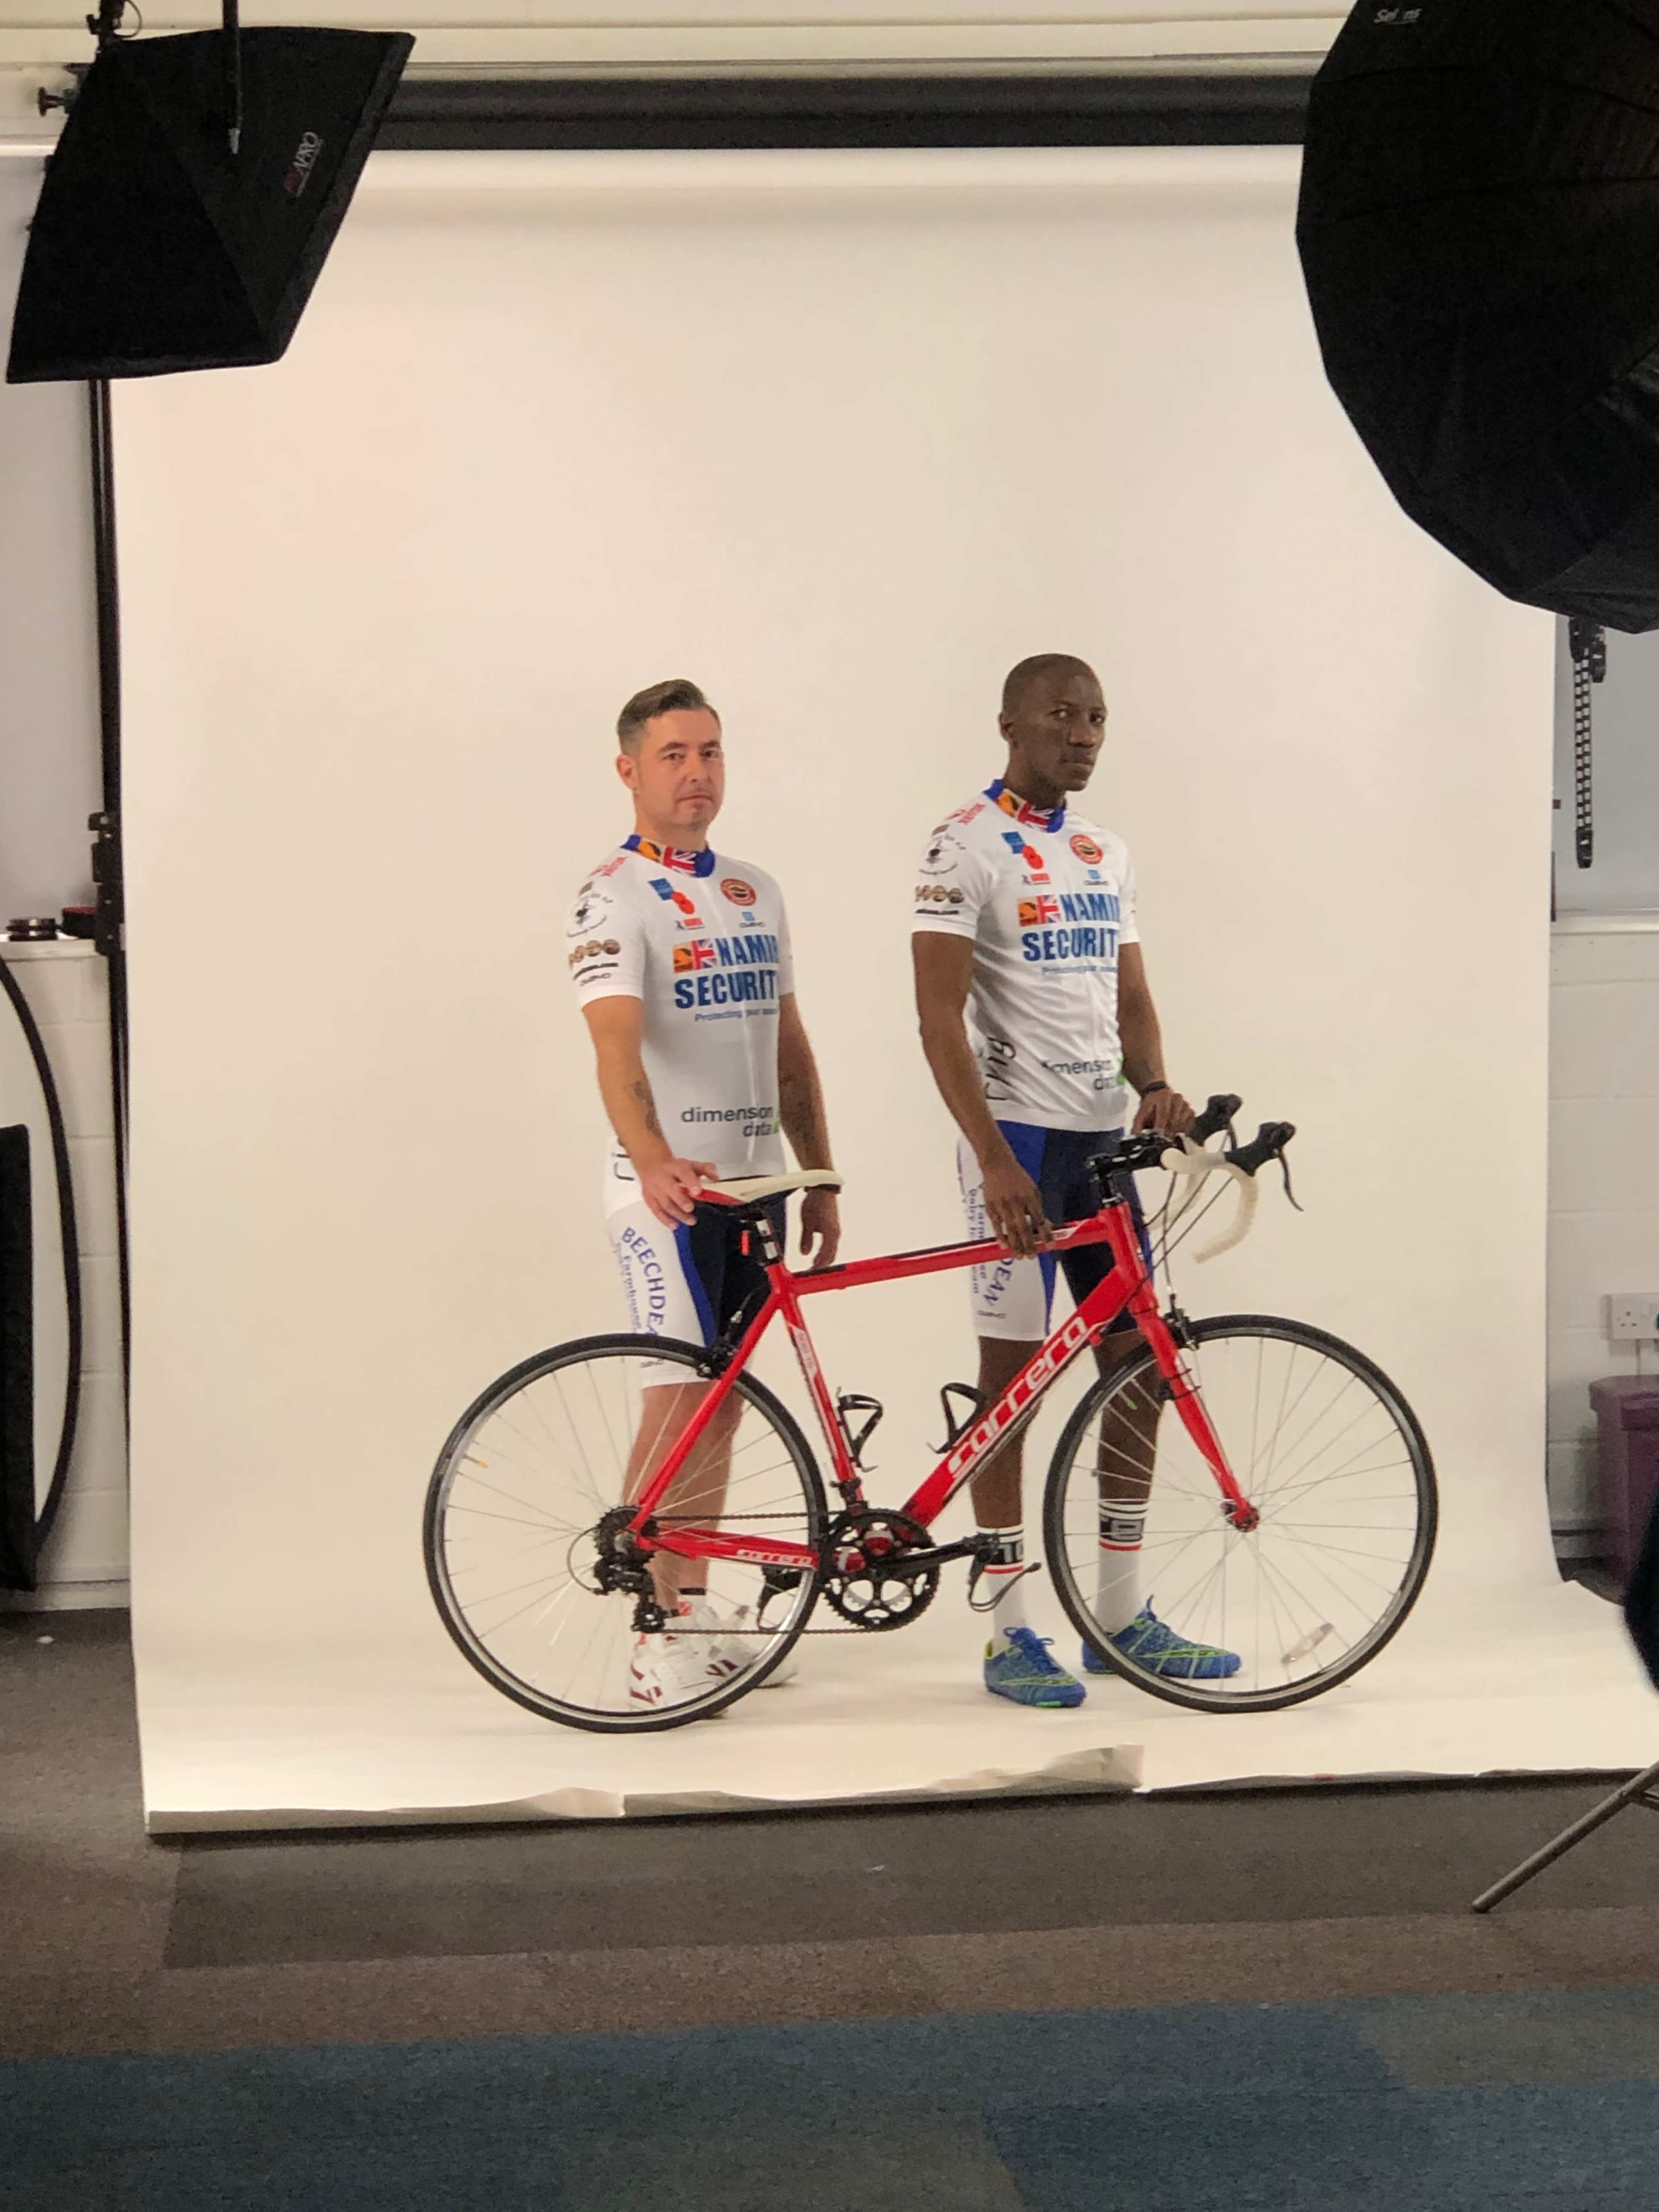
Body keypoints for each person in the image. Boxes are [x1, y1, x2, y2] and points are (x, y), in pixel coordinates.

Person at [912, 653, 1240, 1708]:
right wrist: (996, 1159)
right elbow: (935, 1019)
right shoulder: (961, 843)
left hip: (1102, 1145)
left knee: (1137, 1364)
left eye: (1097, 716)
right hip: (1015, 1140)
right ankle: (1010, 1629)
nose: (1084, 732)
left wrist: (1155, 1085)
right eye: (1061, 713)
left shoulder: (1108, 850)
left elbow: (1130, 992)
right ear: (1009, 721)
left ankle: (1119, 1612)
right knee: (1009, 1383)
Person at [569, 677, 840, 1710]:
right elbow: (613, 1046)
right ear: (631, 768)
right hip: (668, 1196)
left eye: (713, 752)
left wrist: (819, 1173)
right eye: (676, 754)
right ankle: (651, 1626)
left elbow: (788, 1041)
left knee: (724, 1409)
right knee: (680, 1400)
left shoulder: (755, 890)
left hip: (758, 1187)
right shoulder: (610, 895)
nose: (698, 773)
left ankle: (695, 1603)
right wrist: (650, 1159)